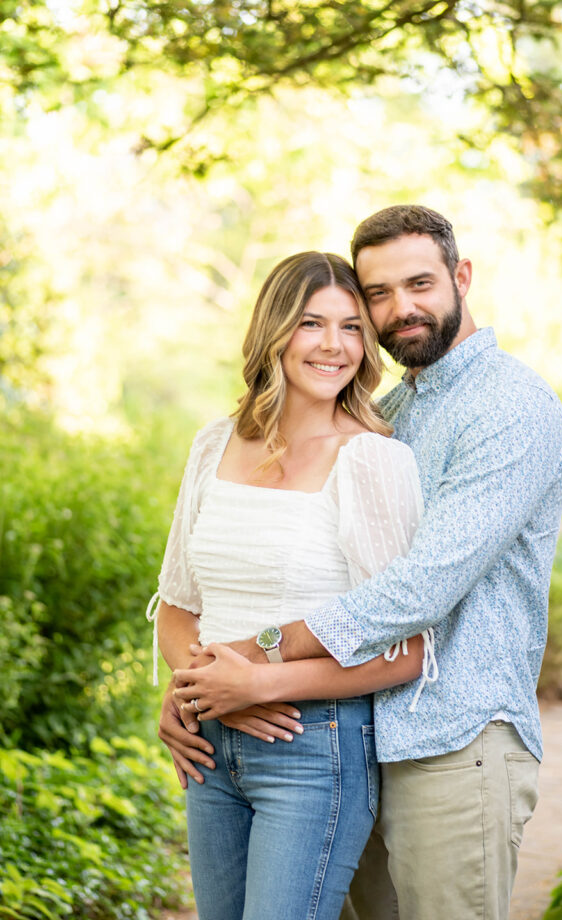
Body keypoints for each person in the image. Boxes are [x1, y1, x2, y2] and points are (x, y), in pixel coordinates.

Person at [168, 205, 562, 920]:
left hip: (456, 740)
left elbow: (418, 591)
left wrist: (248, 661)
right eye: (377, 294)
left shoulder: (509, 405)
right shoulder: (393, 408)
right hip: (363, 735)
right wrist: (198, 687)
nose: (399, 308)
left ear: (462, 276)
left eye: (418, 284)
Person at [149, 250, 435, 920]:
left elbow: (407, 651)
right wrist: (200, 687)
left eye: (351, 327)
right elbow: (177, 606)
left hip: (314, 748)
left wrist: (259, 687)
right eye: (312, 323)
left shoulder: (374, 460)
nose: (334, 346)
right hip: (210, 747)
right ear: (275, 331)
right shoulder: (213, 445)